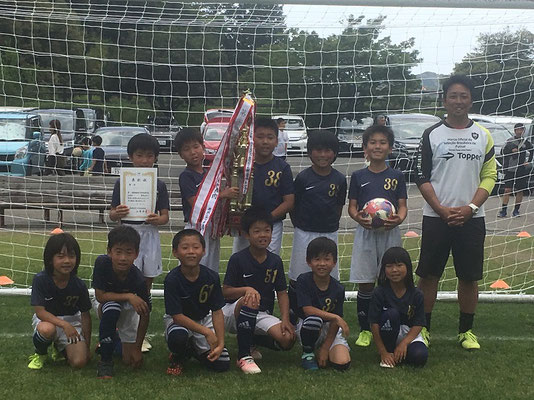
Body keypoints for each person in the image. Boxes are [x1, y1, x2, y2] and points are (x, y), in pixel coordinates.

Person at [414, 74, 497, 350]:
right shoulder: (431, 134)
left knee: (469, 277)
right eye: (453, 96)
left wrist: (471, 207)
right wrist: (440, 209)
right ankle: (423, 329)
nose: (458, 101)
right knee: (428, 276)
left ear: (471, 99)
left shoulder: (483, 135)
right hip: (437, 217)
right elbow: (421, 176)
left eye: (464, 96)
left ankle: (466, 332)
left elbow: (490, 176)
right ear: (444, 100)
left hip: (472, 219)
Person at [348, 124, 407, 348]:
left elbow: (402, 206)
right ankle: (365, 330)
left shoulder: (397, 175)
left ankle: (389, 324)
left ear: (390, 148)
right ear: (365, 148)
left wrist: (399, 219)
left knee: (390, 278)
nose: (377, 146)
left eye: (382, 142)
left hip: (390, 233)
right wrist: (358, 218)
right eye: (372, 142)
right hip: (365, 233)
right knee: (365, 282)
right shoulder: (358, 176)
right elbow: (352, 207)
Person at [110, 133, 169, 352]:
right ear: (130, 156)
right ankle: (120, 330)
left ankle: (139, 334)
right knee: (124, 283)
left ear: (155, 158)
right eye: (140, 155)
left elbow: (165, 217)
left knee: (144, 286)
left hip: (149, 236)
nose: (144, 160)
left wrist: (157, 219)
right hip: (127, 235)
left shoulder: (159, 185)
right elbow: (112, 215)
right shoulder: (121, 181)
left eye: (149, 156)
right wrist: (118, 212)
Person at [223, 206, 295, 374]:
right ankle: (244, 355)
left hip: (260, 313)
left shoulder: (275, 261)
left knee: (288, 340)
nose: (263, 235)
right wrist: (246, 289)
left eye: (267, 230)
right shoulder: (238, 259)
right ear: (247, 235)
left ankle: (250, 339)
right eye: (257, 231)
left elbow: (282, 293)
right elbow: (225, 291)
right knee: (251, 297)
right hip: (232, 312)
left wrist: (285, 319)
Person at [288, 130, 347, 321]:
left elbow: (338, 206)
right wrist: (302, 225)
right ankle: (295, 314)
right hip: (304, 232)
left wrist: (329, 224)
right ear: (310, 152)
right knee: (299, 275)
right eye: (318, 150)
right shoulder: (303, 178)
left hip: (329, 232)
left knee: (328, 273)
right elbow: (294, 207)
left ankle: (329, 315)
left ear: (335, 153)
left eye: (327, 150)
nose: (322, 155)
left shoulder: (339, 179)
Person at [163, 229, 230, 375]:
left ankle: (193, 350)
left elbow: (217, 311)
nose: (191, 252)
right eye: (185, 248)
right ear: (175, 252)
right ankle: (178, 356)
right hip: (180, 323)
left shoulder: (211, 277)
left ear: (204, 251)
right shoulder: (172, 279)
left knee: (222, 364)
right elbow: (177, 316)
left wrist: (220, 342)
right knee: (178, 337)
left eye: (196, 247)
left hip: (203, 319)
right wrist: (206, 332)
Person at [176, 127, 239, 272]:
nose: (193, 152)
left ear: (203, 147)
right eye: (187, 149)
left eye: (196, 147)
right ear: (181, 155)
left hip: (211, 228)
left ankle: (209, 293)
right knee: (195, 265)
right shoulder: (186, 176)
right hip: (196, 227)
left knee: (211, 266)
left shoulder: (208, 174)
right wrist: (223, 194)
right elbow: (196, 203)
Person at [92, 225, 151, 378]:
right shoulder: (102, 263)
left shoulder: (138, 279)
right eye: (118, 252)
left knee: (128, 359)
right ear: (109, 251)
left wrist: (137, 348)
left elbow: (145, 314)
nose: (123, 258)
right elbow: (100, 296)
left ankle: (111, 340)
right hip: (105, 302)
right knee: (112, 309)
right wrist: (129, 296)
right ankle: (105, 362)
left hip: (126, 307)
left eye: (128, 252)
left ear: (136, 254)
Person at [28, 233, 91, 370]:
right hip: (48, 321)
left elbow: (85, 315)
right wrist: (64, 325)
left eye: (71, 256)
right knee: (47, 329)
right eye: (61, 256)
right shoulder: (41, 279)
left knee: (79, 362)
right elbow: (40, 312)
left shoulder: (79, 285)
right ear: (50, 259)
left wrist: (87, 345)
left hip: (72, 322)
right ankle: (41, 353)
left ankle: (59, 347)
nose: (67, 261)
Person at [232, 117, 295, 256]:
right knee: (242, 262)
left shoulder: (282, 167)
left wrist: (267, 219)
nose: (265, 141)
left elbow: (289, 202)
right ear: (252, 139)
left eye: (270, 137)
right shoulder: (242, 165)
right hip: (246, 226)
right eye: (260, 137)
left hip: (271, 225)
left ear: (277, 141)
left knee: (268, 262)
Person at [295, 237, 351, 371]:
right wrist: (335, 317)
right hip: (309, 326)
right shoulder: (303, 280)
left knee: (342, 363)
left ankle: (323, 349)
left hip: (329, 329)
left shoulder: (338, 288)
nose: (322, 263)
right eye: (317, 259)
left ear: (334, 262)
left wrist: (326, 348)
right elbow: (308, 310)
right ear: (309, 262)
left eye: (326, 259)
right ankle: (308, 353)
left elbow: (334, 324)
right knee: (314, 320)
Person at [368, 246, 428, 368]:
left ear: (408, 267)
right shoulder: (379, 292)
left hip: (409, 335)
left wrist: (404, 344)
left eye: (399, 265)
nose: (394, 270)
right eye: (389, 266)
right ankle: (389, 353)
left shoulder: (417, 294)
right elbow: (374, 323)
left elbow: (419, 323)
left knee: (419, 356)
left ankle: (399, 353)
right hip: (387, 332)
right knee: (391, 314)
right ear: (384, 269)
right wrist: (383, 352)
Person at [498, 122, 533, 218]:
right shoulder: (510, 141)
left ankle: (516, 210)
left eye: (522, 130)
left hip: (521, 169)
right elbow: (502, 152)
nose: (520, 132)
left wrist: (528, 161)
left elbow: (531, 150)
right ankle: (503, 210)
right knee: (507, 189)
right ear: (515, 131)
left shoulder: (525, 142)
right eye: (518, 130)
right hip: (510, 169)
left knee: (520, 190)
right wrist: (511, 151)